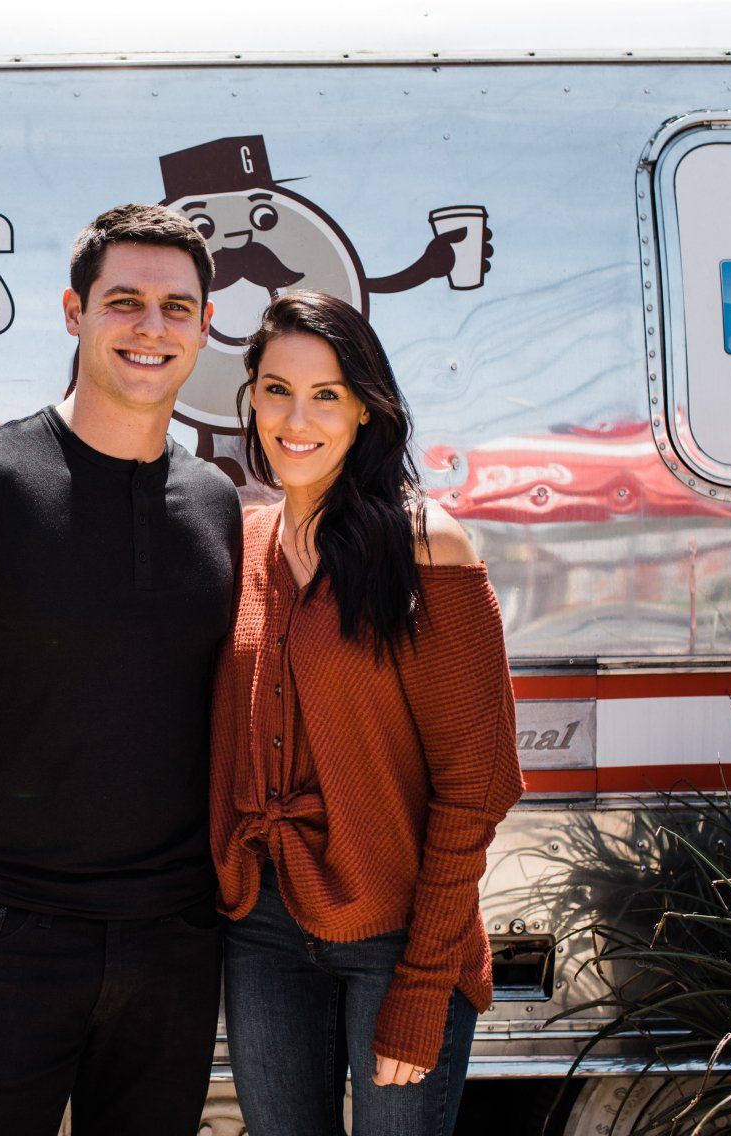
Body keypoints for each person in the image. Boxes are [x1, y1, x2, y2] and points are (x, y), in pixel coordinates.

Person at [0, 203, 243, 1136]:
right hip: (8, 944)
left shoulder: (216, 502)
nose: (152, 328)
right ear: (74, 312)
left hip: (176, 946)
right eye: (125, 302)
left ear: (204, 328)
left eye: (177, 308)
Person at [210, 291, 524, 1136]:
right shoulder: (239, 545)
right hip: (264, 933)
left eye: (325, 394)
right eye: (276, 390)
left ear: (363, 410)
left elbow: (478, 782)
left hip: (397, 934)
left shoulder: (427, 545)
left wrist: (424, 985)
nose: (296, 417)